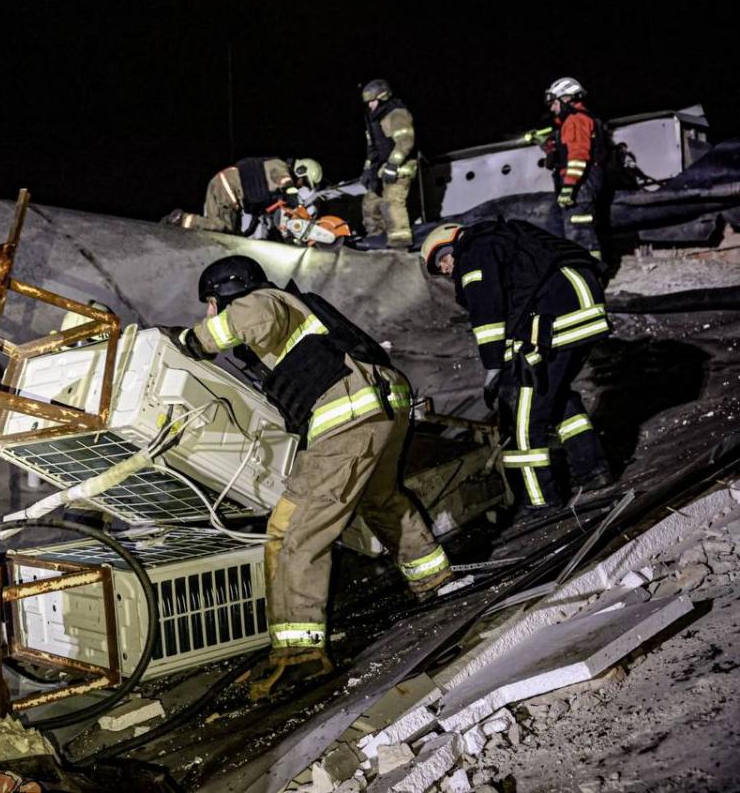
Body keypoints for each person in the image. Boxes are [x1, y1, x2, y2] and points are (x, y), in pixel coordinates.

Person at [161, 255, 452, 697]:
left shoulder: (261, 300)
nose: (209, 311)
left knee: (292, 530)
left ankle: (300, 654)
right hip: (382, 404)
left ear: (226, 292)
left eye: (210, 302)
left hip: (350, 416)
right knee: (381, 500)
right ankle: (436, 581)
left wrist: (191, 340)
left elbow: (248, 319)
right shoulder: (297, 311)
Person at [420, 221, 614, 516]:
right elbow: (520, 301)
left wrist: (493, 367)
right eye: (439, 269)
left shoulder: (473, 253)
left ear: (451, 243)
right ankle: (593, 470)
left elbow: (487, 313)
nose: (445, 269)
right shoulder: (502, 240)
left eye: (442, 259)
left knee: (524, 419)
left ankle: (540, 499)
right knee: (556, 396)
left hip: (560, 320)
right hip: (584, 312)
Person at [526, 77, 610, 259]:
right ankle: (587, 267)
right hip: (581, 182)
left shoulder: (575, 120)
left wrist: (569, 186)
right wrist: (543, 142)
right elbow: (562, 149)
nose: (551, 108)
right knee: (576, 229)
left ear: (565, 99)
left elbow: (578, 156)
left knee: (580, 231)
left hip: (581, 184)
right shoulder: (575, 120)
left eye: (554, 103)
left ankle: (591, 270)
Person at [169, 157, 322, 234]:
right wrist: (297, 205)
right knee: (224, 227)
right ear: (300, 171)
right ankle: (181, 219)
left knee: (228, 235)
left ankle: (174, 223)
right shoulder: (279, 166)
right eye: (304, 182)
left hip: (226, 186)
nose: (301, 186)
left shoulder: (273, 186)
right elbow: (285, 182)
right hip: (228, 185)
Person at [359, 79, 416, 248]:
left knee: (392, 201)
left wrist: (393, 165)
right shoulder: (374, 121)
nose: (369, 105)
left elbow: (405, 141)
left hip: (400, 168)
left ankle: (400, 242)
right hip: (381, 169)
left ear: (383, 97)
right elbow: (373, 150)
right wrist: (367, 171)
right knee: (370, 203)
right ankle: (377, 237)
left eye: (372, 101)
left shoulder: (396, 114)